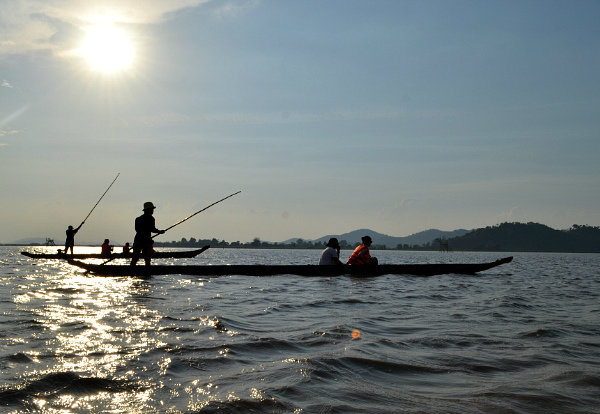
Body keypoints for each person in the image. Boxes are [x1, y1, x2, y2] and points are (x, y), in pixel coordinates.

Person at [130, 202, 165, 266]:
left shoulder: (139, 219)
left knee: (141, 258)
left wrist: (159, 231)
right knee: (142, 258)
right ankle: (143, 272)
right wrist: (159, 232)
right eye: (151, 209)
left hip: (142, 240)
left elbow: (151, 229)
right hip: (143, 241)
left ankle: (134, 270)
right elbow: (150, 229)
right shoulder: (148, 219)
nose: (152, 211)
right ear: (147, 210)